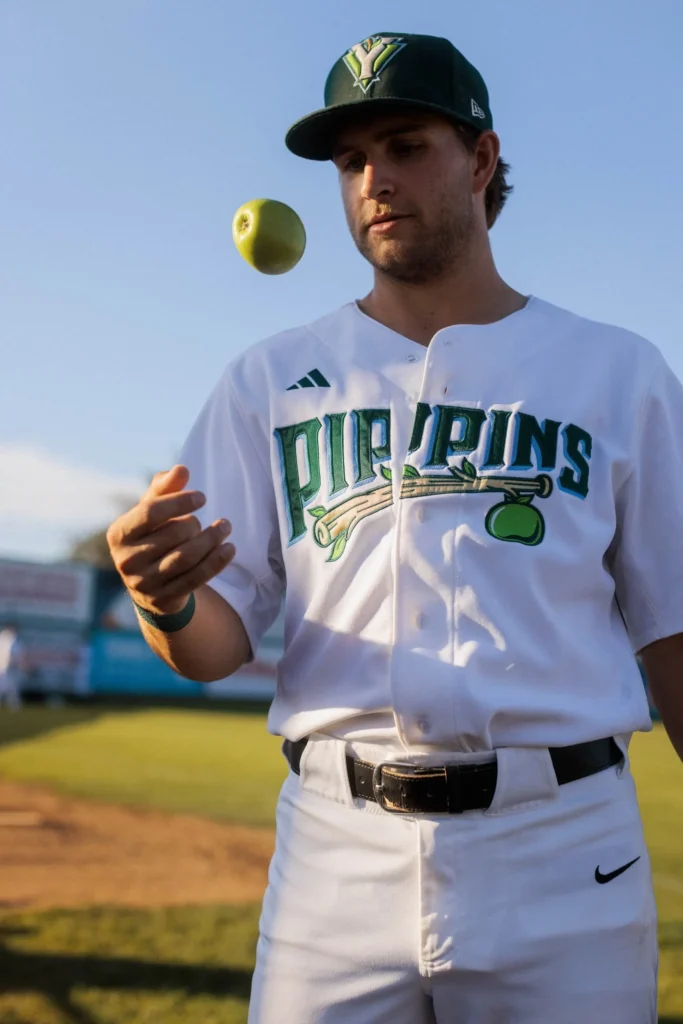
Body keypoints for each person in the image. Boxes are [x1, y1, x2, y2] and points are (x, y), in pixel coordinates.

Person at [106, 32, 683, 1023]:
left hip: (565, 851)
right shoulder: (271, 378)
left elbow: (671, 633)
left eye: (404, 143)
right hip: (334, 853)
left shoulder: (614, 372)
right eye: (349, 160)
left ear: (482, 159)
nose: (373, 177)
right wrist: (164, 597)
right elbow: (214, 643)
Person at [0, 623, 26, 711]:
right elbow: (13, 655)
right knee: (7, 688)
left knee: (12, 689)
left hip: (7, 668)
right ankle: (15, 707)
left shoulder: (5, 638)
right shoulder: (10, 639)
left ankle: (15, 707)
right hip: (6, 668)